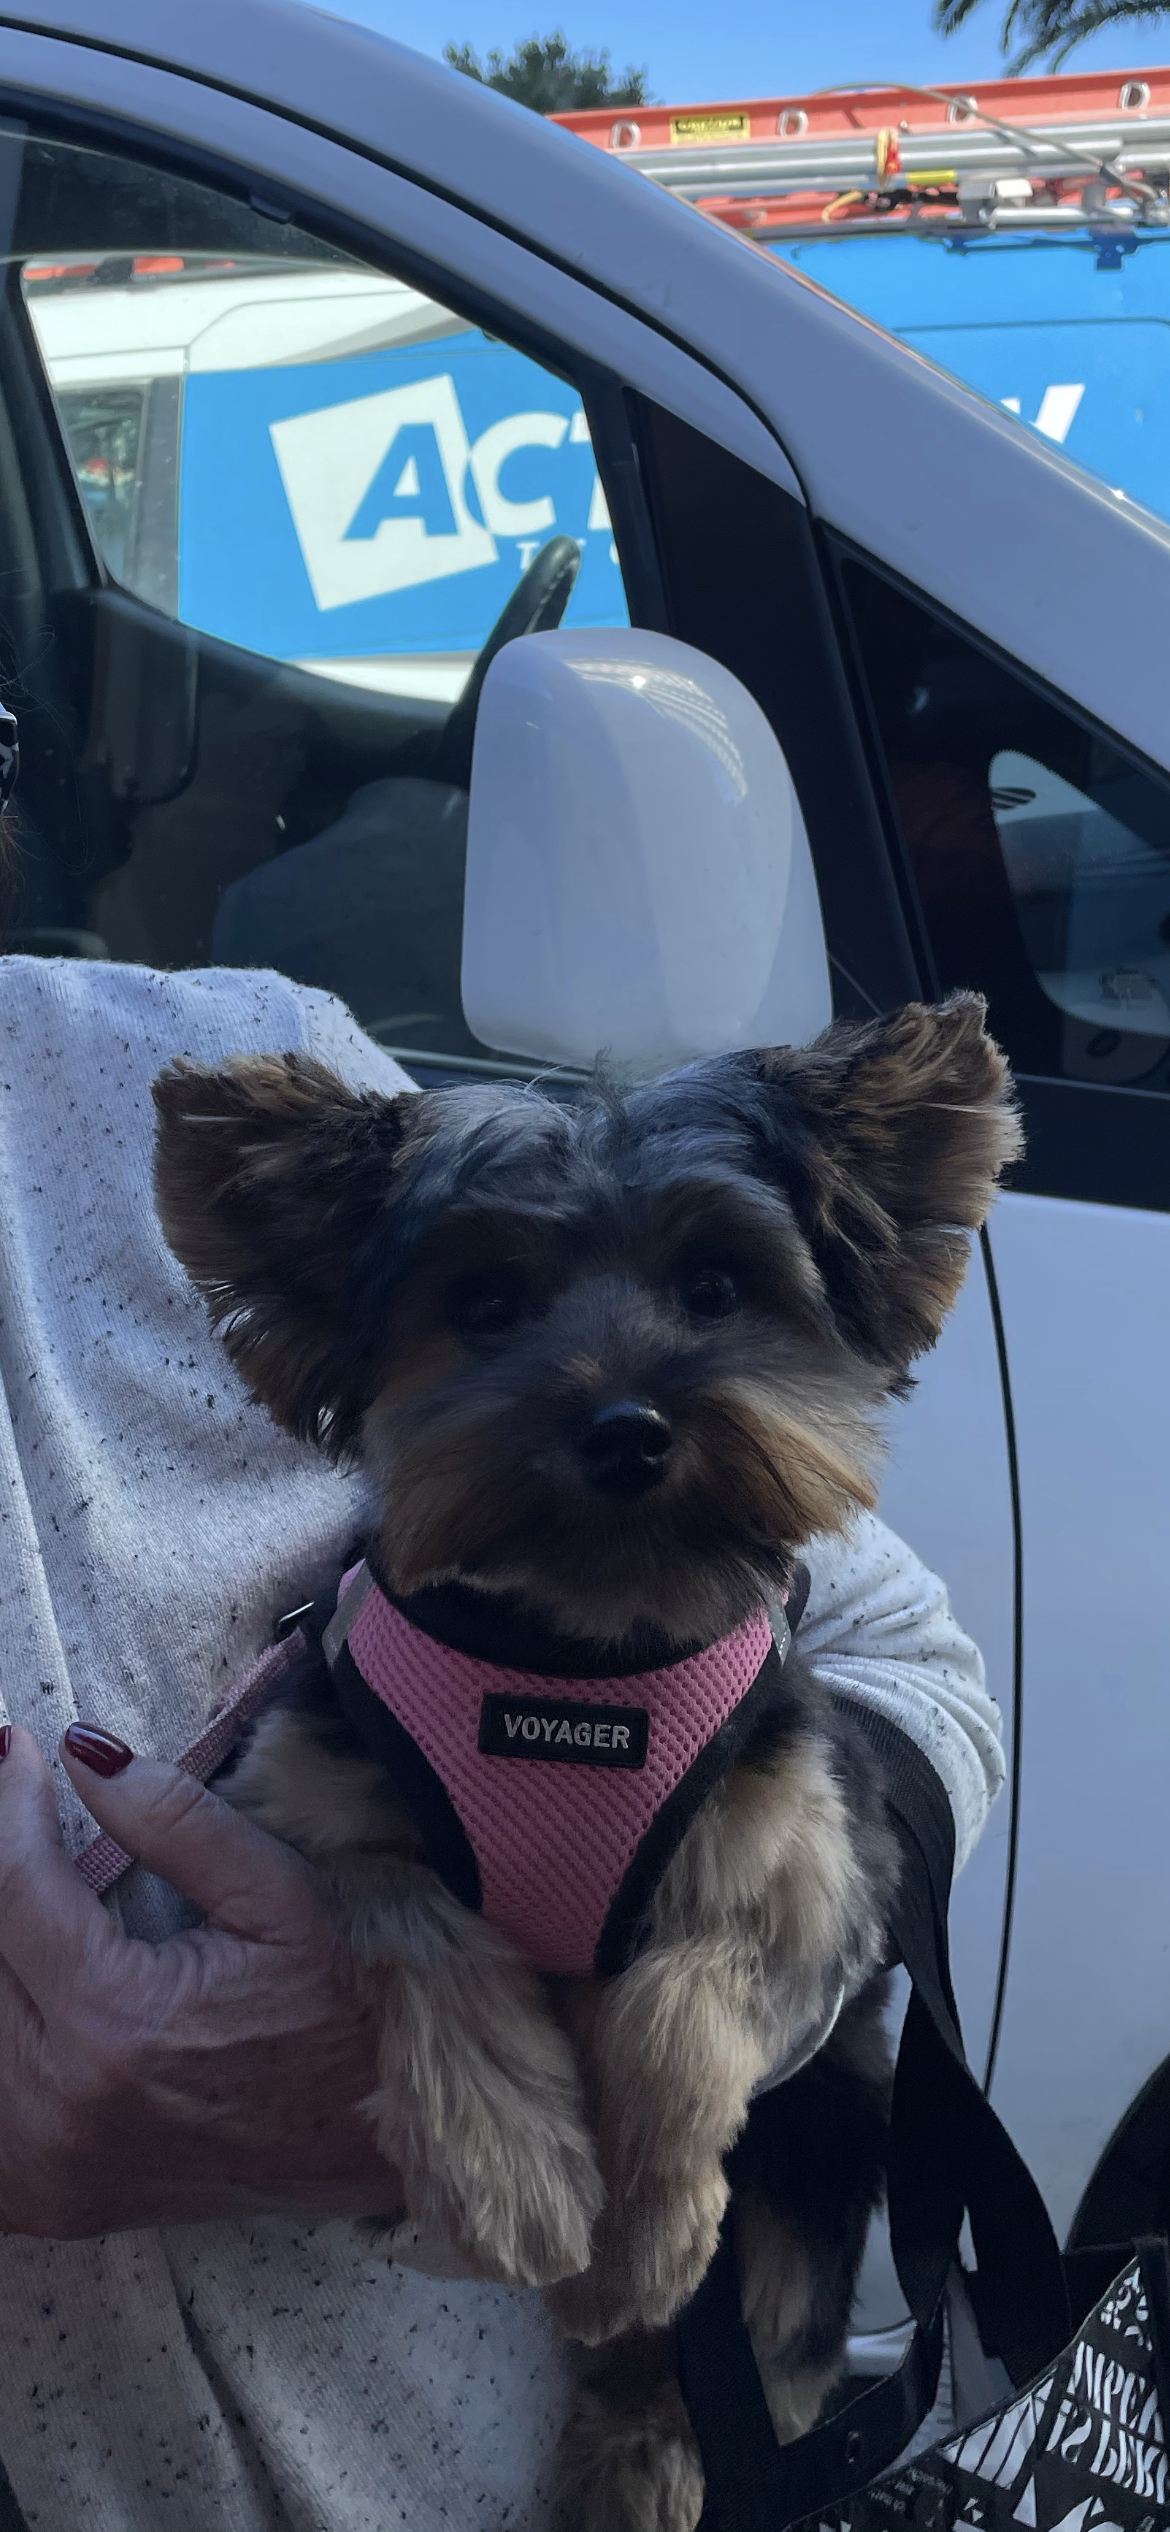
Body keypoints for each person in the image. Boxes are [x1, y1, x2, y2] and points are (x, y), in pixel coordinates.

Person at [0, 952, 1005, 2532]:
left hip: (507, 2462)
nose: (616, 1394)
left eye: (711, 1290)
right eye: (484, 1308)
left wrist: (711, 1996)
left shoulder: (202, 1047)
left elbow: (909, 1672)